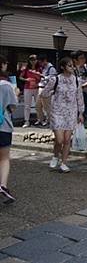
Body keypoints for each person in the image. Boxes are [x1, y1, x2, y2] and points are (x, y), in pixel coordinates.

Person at [40, 57, 84, 173]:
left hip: (71, 112)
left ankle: (64, 162)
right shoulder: (55, 80)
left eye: (72, 65)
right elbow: (44, 93)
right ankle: (55, 155)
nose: (72, 67)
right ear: (63, 67)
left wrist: (81, 112)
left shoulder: (76, 80)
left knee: (67, 139)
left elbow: (79, 96)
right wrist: (50, 98)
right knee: (59, 139)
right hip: (57, 112)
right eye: (69, 65)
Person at [0, 55, 18, 203]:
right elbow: (12, 108)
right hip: (3, 126)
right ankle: (3, 186)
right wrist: (16, 94)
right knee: (4, 158)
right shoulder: (6, 85)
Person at [19, 55, 41, 127]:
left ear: (37, 60)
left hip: (36, 88)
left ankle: (39, 120)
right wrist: (26, 79)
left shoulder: (39, 68)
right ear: (29, 61)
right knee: (27, 105)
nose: (33, 61)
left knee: (38, 105)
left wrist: (39, 80)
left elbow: (42, 77)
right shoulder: (26, 69)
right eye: (31, 60)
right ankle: (26, 121)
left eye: (34, 59)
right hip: (27, 88)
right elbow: (20, 77)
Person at [35, 54, 56, 127]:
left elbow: (52, 79)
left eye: (40, 62)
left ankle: (49, 121)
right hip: (40, 88)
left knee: (47, 107)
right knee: (38, 106)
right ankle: (40, 120)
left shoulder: (51, 68)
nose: (40, 64)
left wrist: (43, 76)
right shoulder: (43, 68)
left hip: (46, 89)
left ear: (45, 60)